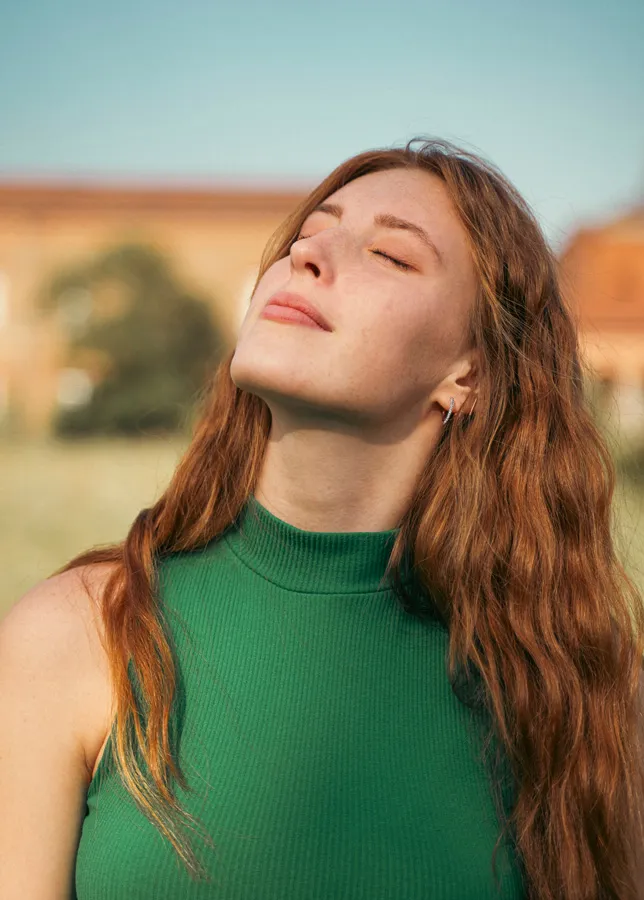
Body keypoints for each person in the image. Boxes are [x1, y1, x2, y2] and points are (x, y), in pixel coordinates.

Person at [1, 137, 643, 900]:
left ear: (467, 373)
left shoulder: (578, 686)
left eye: (391, 257)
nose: (308, 257)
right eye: (308, 236)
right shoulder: (80, 634)